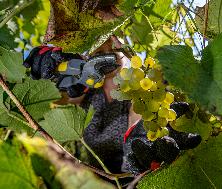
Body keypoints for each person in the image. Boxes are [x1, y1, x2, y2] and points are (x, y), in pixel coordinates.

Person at [23, 36, 202, 176]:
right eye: (100, 49)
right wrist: (52, 65)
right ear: (90, 57)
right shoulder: (84, 93)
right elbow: (53, 104)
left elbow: (138, 116)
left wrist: (141, 137)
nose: (109, 51)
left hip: (121, 179)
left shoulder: (139, 92)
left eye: (114, 47)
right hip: (85, 176)